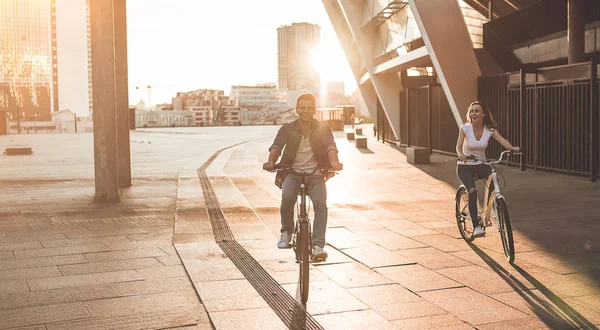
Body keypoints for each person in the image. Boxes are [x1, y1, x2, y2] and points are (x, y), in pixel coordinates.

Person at [263, 93, 343, 261]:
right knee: (287, 198)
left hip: (316, 174)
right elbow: (276, 146)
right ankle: (286, 233)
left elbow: (330, 145)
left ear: (314, 110)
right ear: (297, 109)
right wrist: (271, 161)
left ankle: (317, 246)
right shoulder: (287, 128)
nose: (305, 111)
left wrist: (335, 162)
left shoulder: (322, 127)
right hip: (292, 173)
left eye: (309, 108)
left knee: (320, 205)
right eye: (302, 108)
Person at [456, 101, 520, 237]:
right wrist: (461, 155)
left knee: (493, 175)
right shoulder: (465, 129)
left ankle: (494, 209)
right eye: (471, 111)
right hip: (465, 167)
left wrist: (512, 148)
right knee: (472, 192)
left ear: (483, 114)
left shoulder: (489, 130)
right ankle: (476, 226)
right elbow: (459, 146)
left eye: (477, 111)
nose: (473, 113)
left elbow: (502, 140)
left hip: (480, 164)